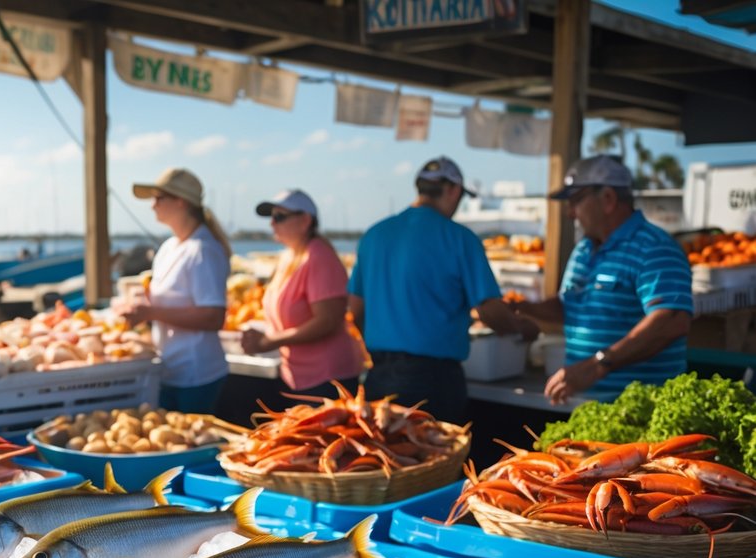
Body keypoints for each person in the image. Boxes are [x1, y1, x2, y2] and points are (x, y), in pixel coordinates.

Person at [347, 156, 539, 423]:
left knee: (384, 460)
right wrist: (522, 328)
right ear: (453, 191)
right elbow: (489, 312)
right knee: (437, 460)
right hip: (432, 381)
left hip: (380, 375)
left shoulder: (374, 235)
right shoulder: (460, 238)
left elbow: (356, 310)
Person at [510, 155, 693, 404]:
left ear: (607, 199)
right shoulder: (584, 249)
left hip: (640, 413)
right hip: (584, 407)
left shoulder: (655, 247)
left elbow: (672, 322)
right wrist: (523, 308)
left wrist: (598, 365)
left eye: (575, 201)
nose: (569, 213)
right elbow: (571, 306)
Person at [115, 168, 230, 414]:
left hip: (196, 373)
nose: (153, 206)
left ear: (180, 201)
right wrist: (138, 305)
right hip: (170, 368)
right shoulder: (170, 247)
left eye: (158, 198)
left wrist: (151, 312)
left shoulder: (203, 250)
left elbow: (213, 316)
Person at [241, 189, 367, 406]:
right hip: (299, 377)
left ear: (305, 220)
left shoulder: (318, 256)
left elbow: (328, 320)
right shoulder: (289, 256)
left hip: (327, 378)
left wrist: (270, 341)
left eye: (280, 217)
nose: (272, 224)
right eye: (271, 218)